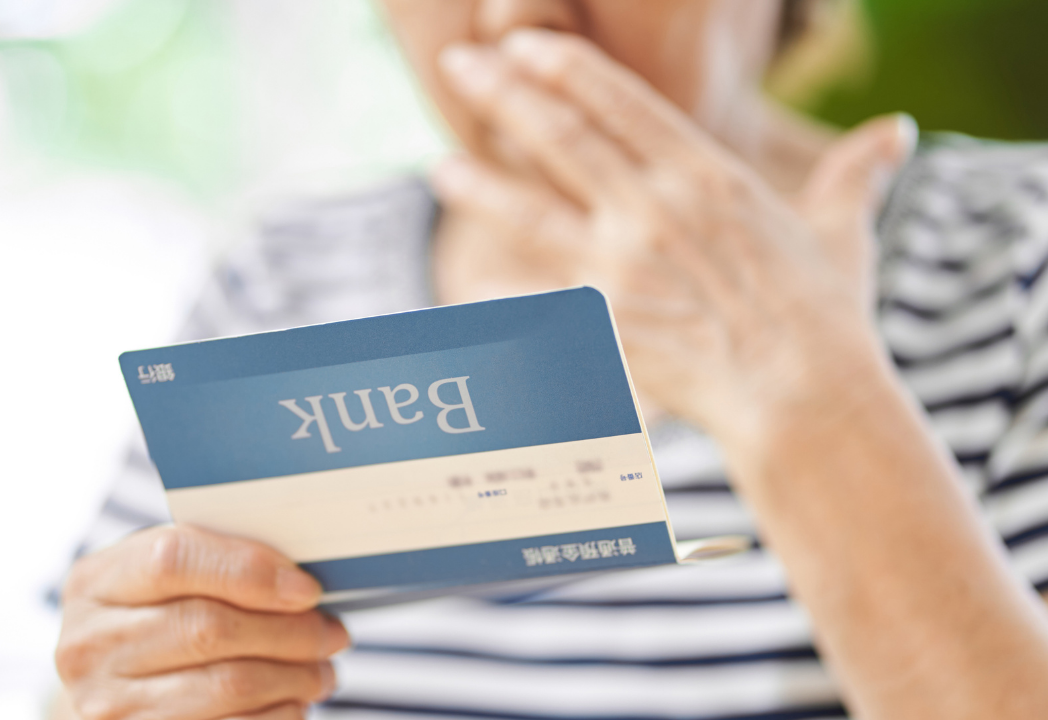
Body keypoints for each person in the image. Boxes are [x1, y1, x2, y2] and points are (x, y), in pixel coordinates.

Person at [51, 1, 1048, 718]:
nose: (521, 17)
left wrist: (800, 390)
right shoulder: (278, 283)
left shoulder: (1020, 256)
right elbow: (99, 683)